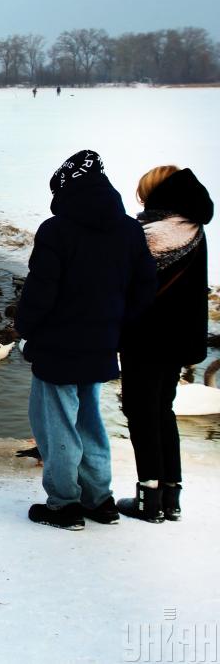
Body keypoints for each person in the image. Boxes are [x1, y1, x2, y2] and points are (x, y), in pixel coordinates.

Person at [16, 150, 156, 530]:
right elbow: (145, 288)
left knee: (57, 424)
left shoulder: (57, 230)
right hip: (101, 342)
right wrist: (115, 325)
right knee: (90, 420)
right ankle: (100, 500)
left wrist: (24, 327)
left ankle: (64, 505)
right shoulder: (129, 229)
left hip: (58, 344)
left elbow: (40, 291)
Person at [118, 166, 213, 522]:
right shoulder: (193, 227)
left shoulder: (152, 232)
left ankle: (148, 499)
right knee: (162, 410)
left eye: (144, 193)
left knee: (140, 413)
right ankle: (171, 497)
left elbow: (126, 281)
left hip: (146, 336)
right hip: (180, 338)